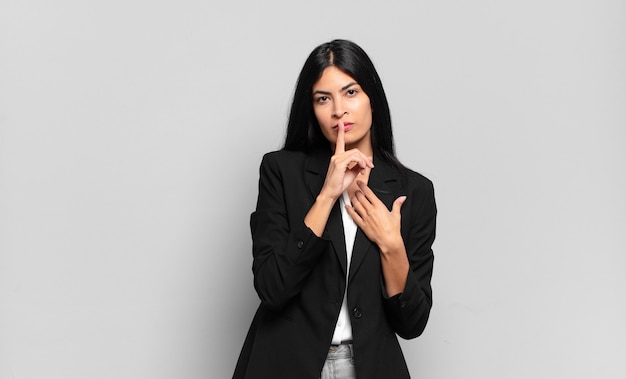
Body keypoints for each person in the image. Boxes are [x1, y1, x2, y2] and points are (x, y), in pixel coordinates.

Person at [233, 39, 437, 379]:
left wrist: (391, 246)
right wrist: (327, 196)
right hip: (285, 363)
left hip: (367, 367)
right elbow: (272, 288)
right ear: (311, 109)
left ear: (373, 99)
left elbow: (412, 323)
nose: (338, 110)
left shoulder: (413, 191)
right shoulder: (281, 172)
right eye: (323, 98)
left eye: (351, 92)